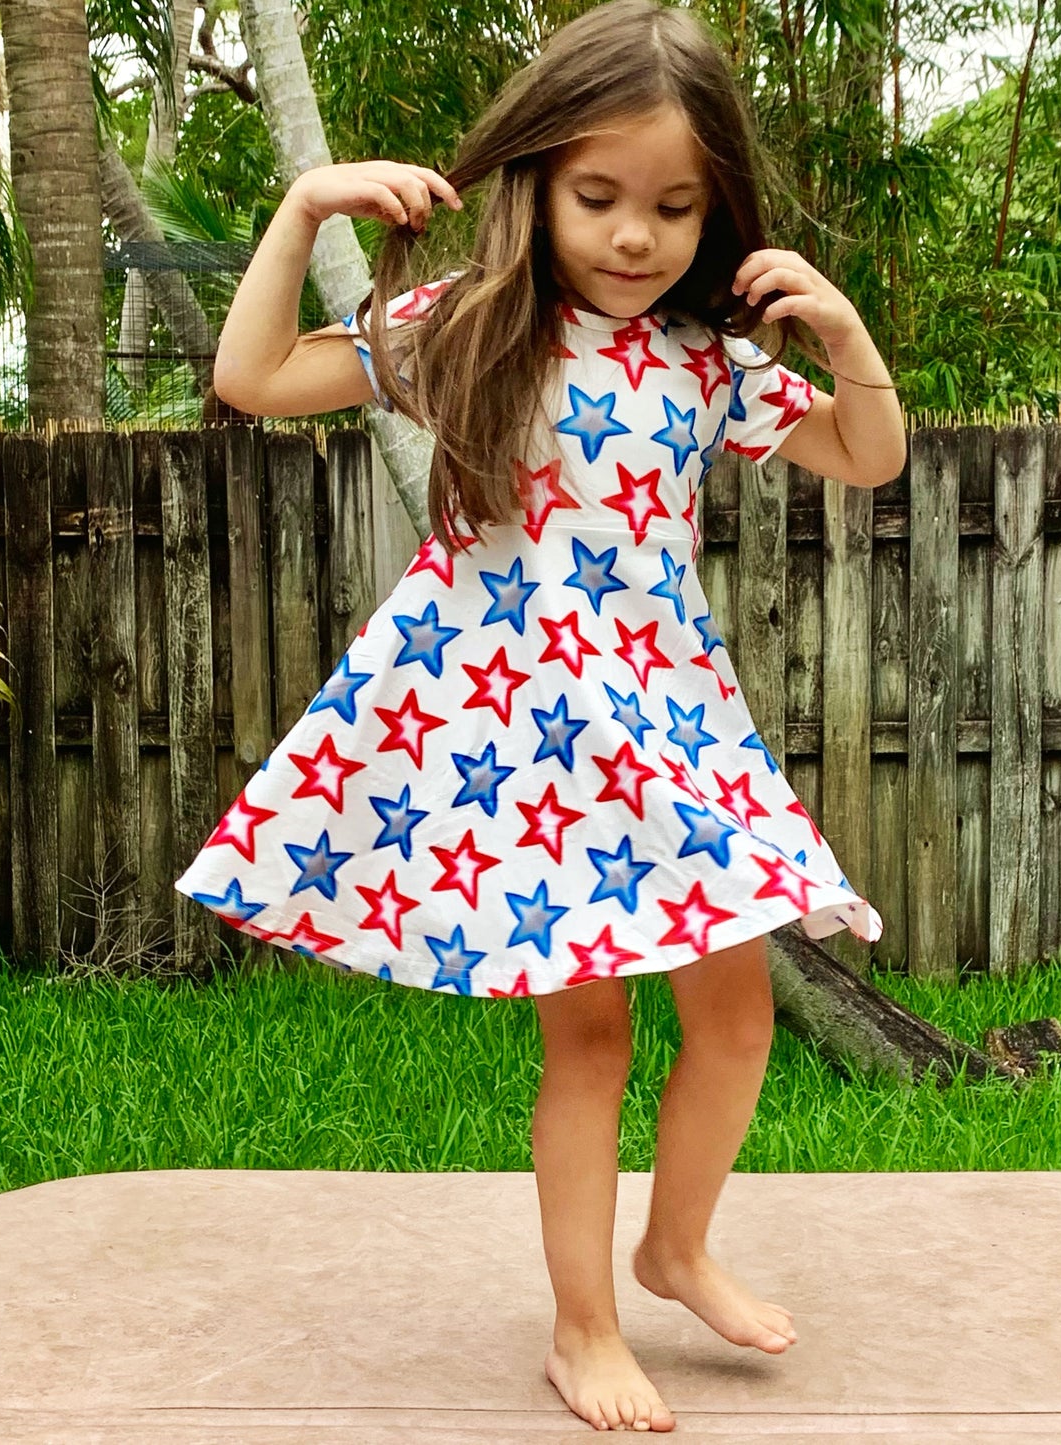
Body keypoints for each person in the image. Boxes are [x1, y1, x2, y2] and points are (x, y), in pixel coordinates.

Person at [176, 0, 904, 1431]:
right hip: (523, 733)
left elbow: (865, 457)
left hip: (673, 721)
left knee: (737, 1014)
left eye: (674, 207)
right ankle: (583, 1327)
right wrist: (306, 201)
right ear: (535, 181)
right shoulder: (462, 328)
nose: (634, 235)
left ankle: (674, 1244)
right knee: (589, 1041)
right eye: (598, 197)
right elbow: (250, 379)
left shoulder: (711, 361)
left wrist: (842, 325)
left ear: (715, 212)